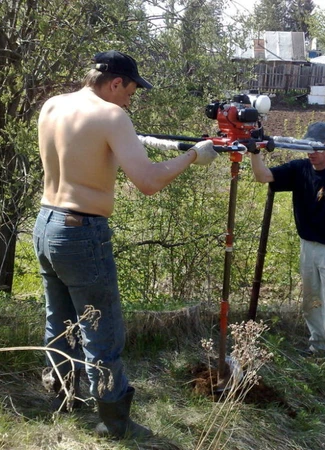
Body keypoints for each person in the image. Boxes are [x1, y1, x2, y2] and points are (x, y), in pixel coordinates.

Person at [32, 50, 217, 439]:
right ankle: (114, 423)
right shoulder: (112, 115)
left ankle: (62, 399)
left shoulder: (53, 105)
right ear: (115, 82)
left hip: (46, 222)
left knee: (60, 321)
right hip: (82, 230)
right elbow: (148, 182)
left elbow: (83, 156)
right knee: (103, 330)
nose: (131, 100)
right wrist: (192, 156)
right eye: (131, 91)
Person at [249, 122, 325, 395]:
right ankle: (318, 345)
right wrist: (255, 152)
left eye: (317, 148)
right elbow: (263, 176)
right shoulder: (299, 169)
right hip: (307, 246)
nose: (311, 153)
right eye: (307, 146)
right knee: (311, 301)